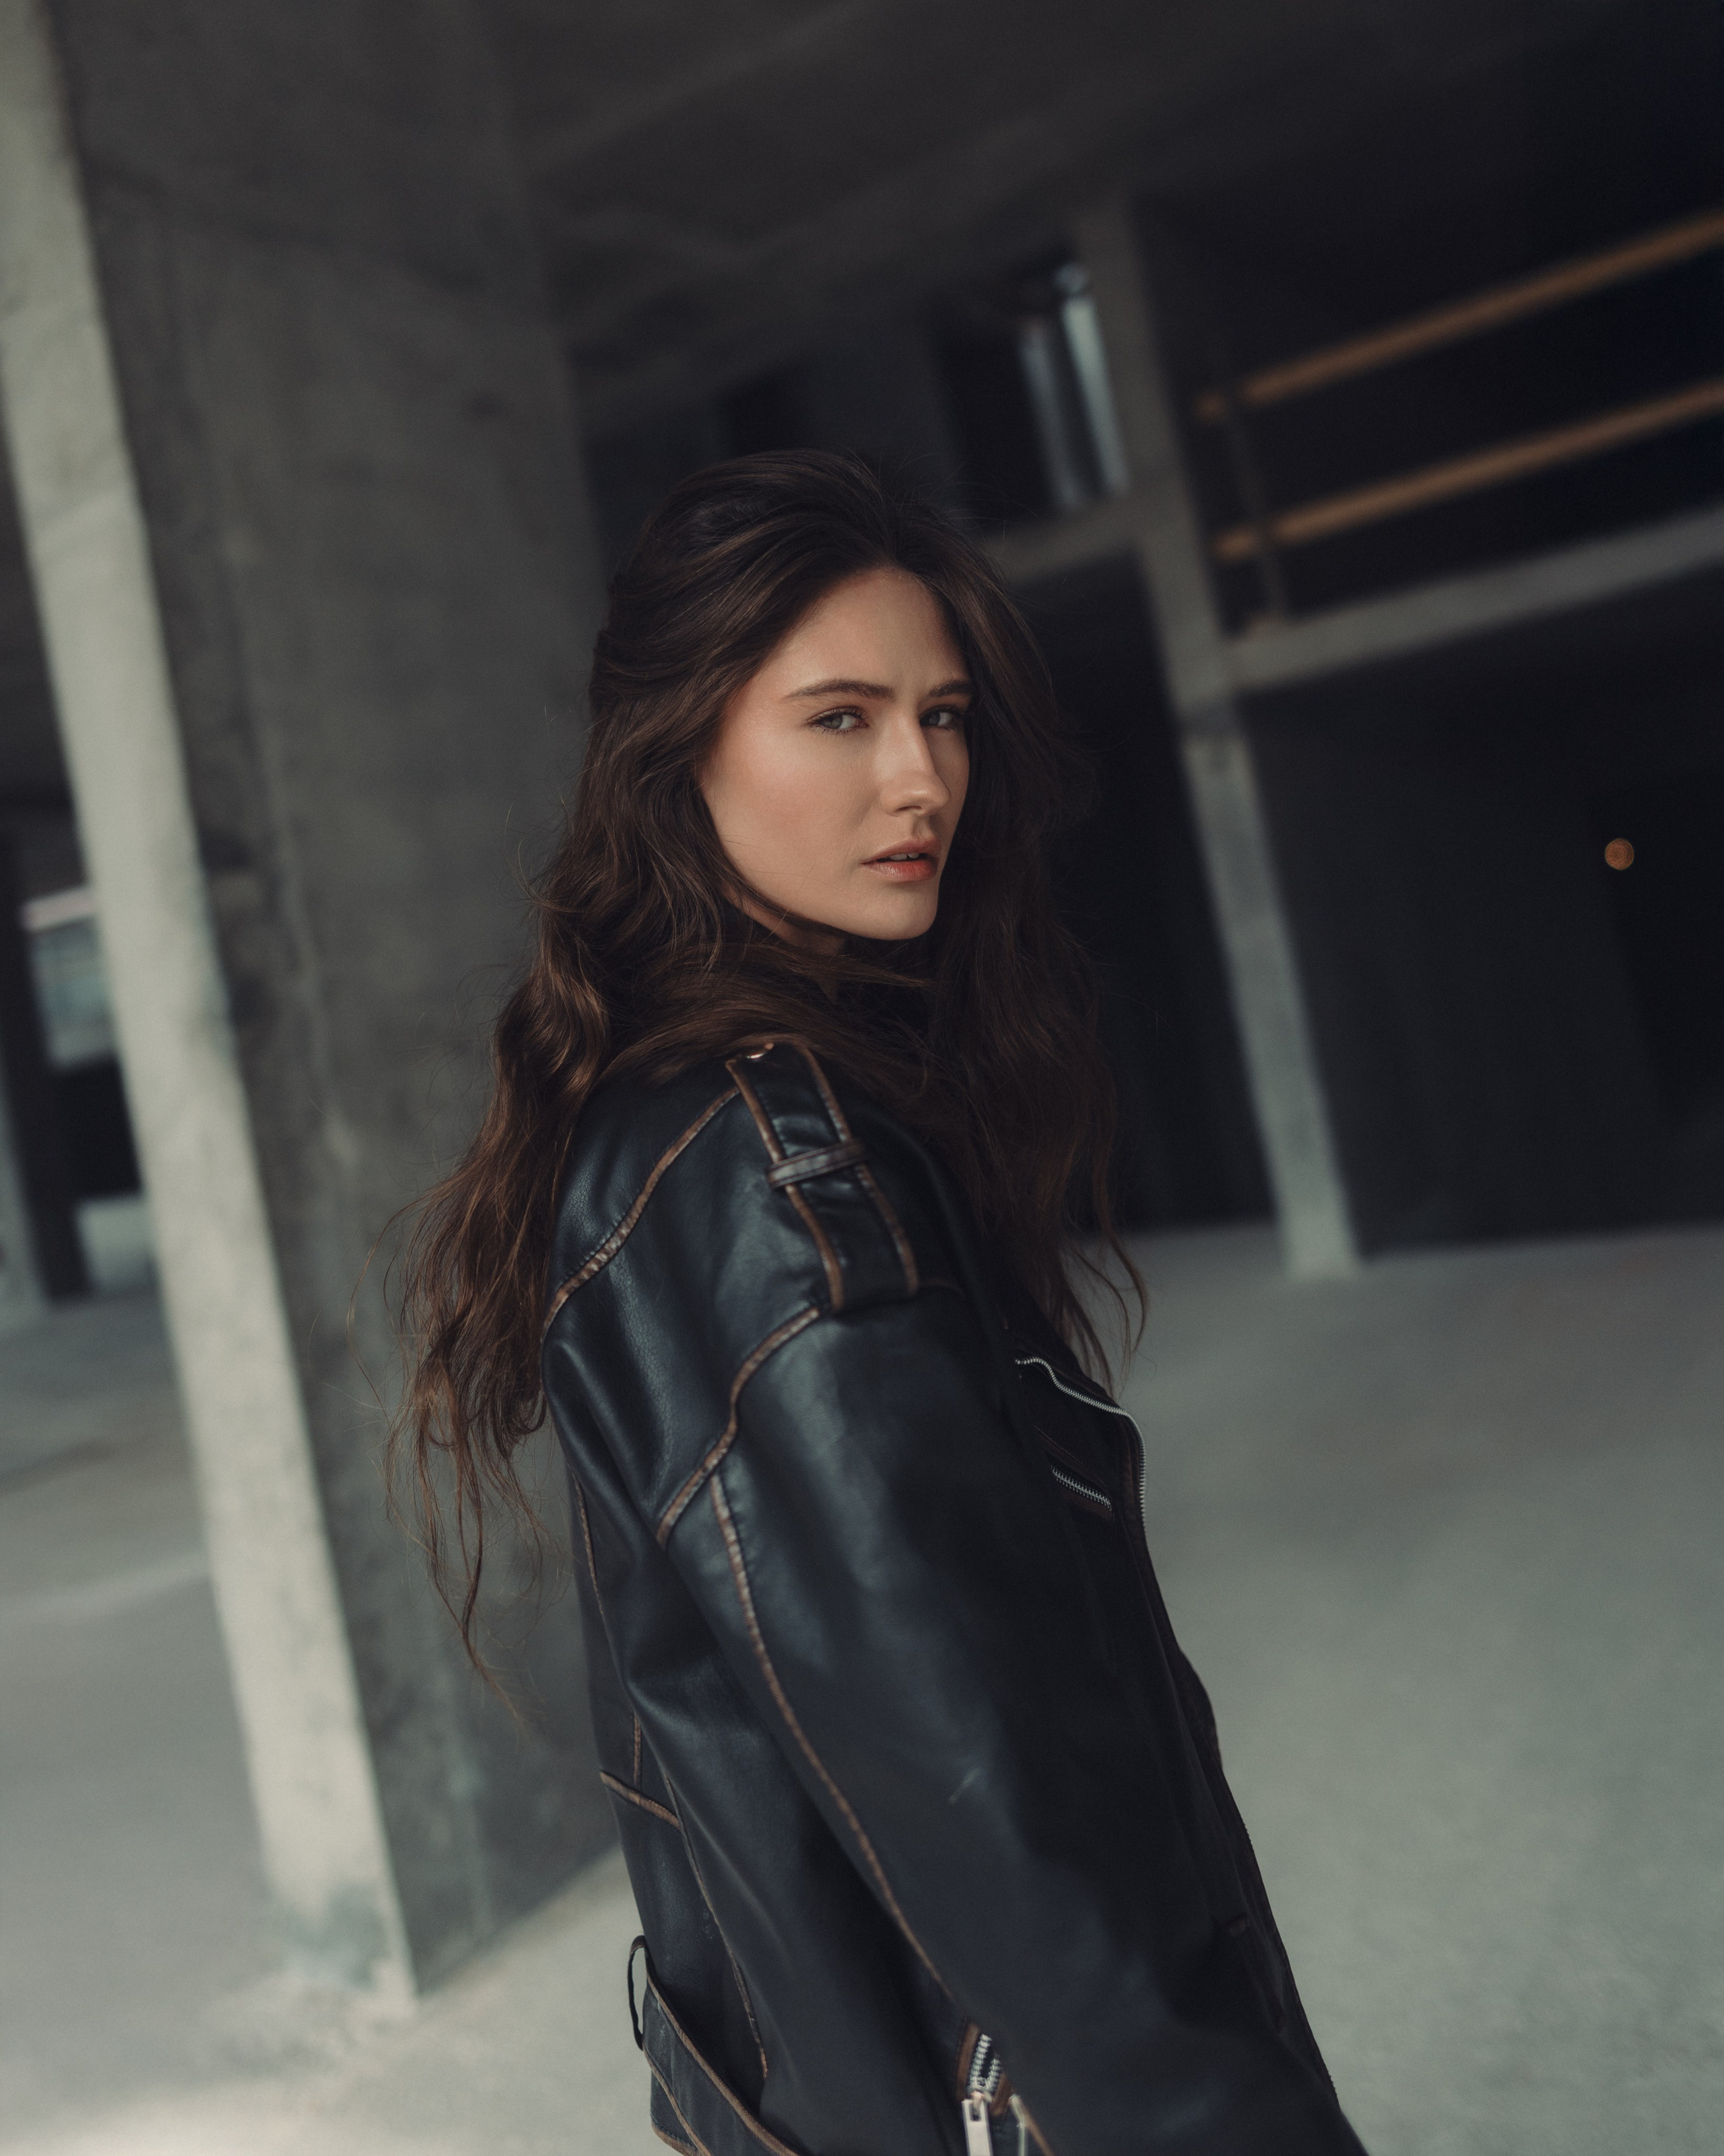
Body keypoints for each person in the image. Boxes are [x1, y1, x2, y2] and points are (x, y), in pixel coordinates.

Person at [397, 451, 1367, 2156]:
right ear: (681, 746)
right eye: (837, 718)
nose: (921, 776)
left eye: (942, 715)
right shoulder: (771, 1177)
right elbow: (968, 1778)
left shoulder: (691, 1114)